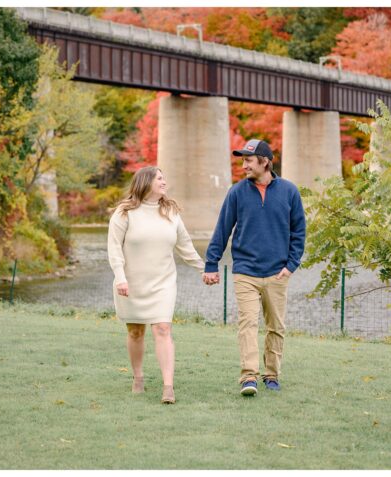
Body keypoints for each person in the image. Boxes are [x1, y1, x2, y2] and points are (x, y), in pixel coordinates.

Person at [202, 139, 306, 396]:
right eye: (243, 160)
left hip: (277, 272)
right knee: (247, 324)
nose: (244, 164)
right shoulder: (237, 192)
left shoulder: (289, 191)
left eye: (248, 160)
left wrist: (291, 265)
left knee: (276, 327)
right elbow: (222, 229)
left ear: (265, 161)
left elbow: (299, 232)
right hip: (245, 271)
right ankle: (249, 376)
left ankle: (272, 374)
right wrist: (211, 263)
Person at [107, 166, 205, 404]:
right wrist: (120, 277)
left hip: (163, 283)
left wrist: (205, 269)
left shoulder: (170, 212)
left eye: (164, 177)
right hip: (131, 283)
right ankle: (138, 377)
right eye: (160, 178)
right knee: (136, 331)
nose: (164, 181)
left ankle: (167, 387)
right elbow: (114, 248)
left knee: (162, 328)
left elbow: (185, 246)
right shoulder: (124, 212)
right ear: (146, 182)